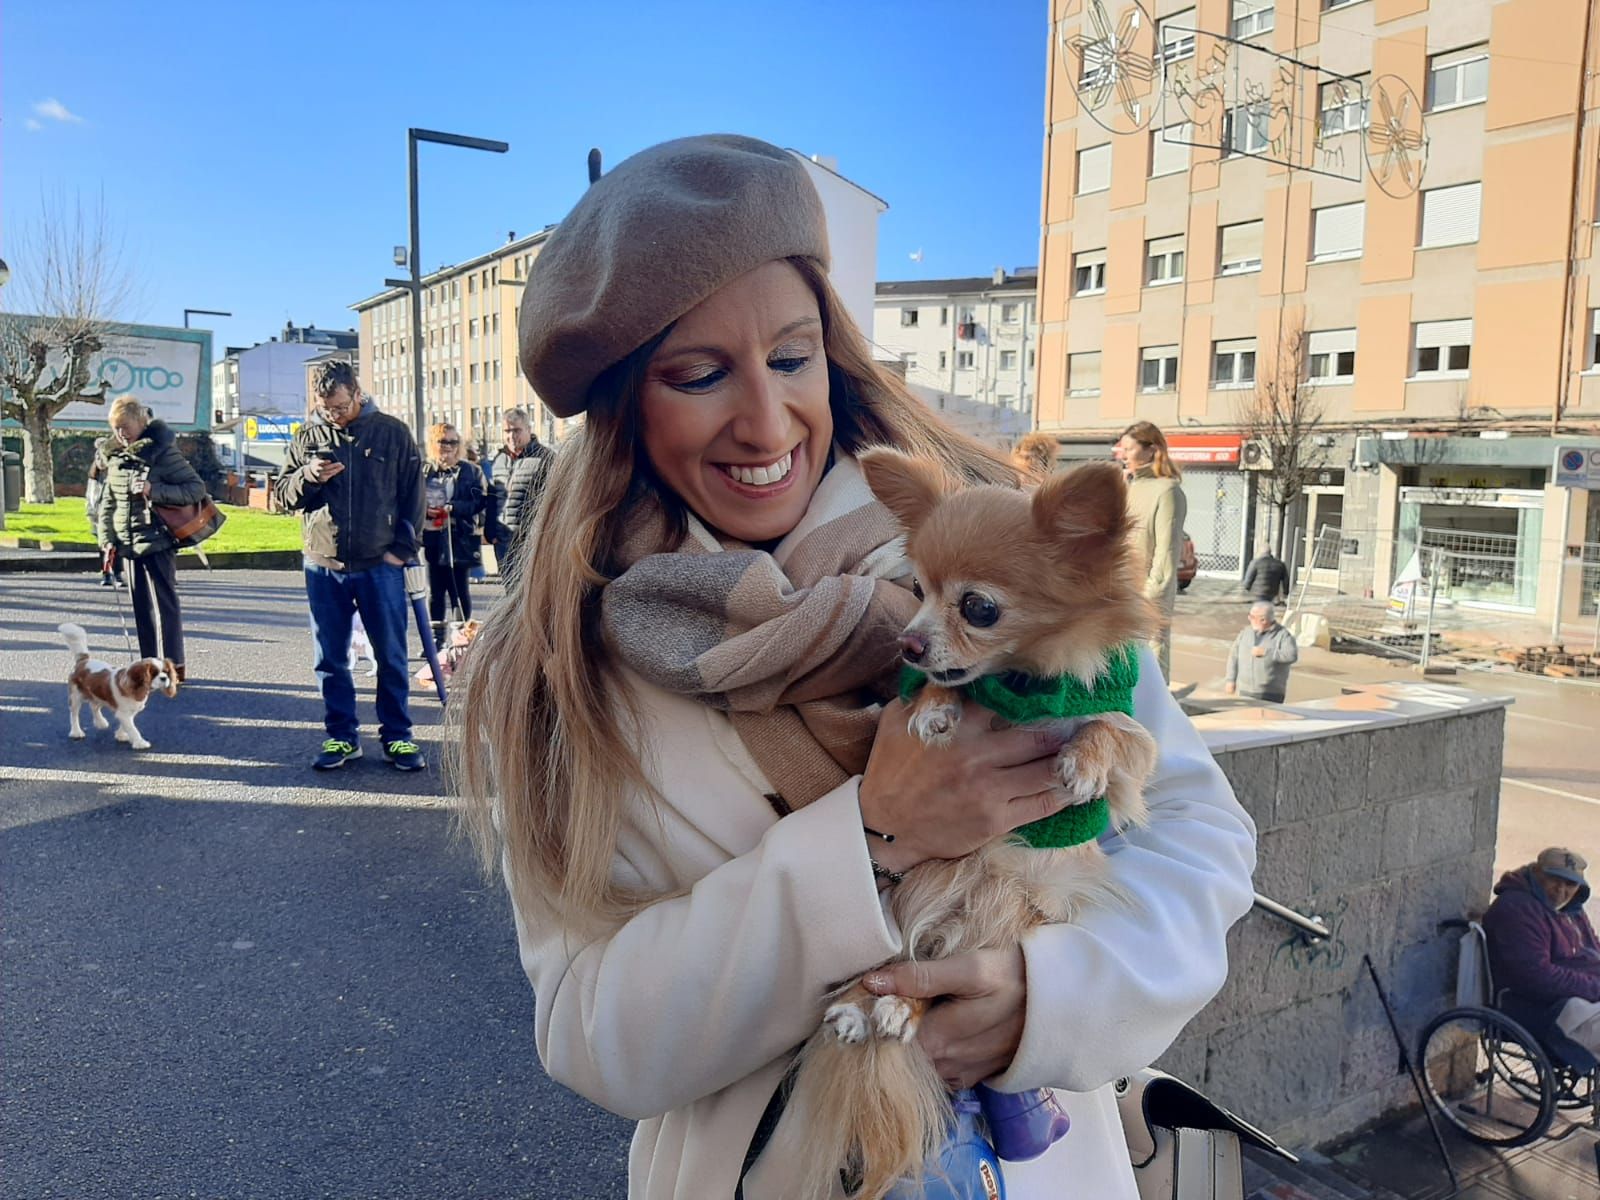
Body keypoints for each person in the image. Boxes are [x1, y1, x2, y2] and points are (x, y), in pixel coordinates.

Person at [453, 134, 1256, 1199]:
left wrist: (1048, 995)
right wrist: (871, 839)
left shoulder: (994, 545)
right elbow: (592, 1033)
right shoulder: (562, 663)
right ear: (622, 407)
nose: (766, 418)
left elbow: (1196, 832)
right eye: (698, 374)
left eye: (791, 357)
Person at [274, 360, 426, 773]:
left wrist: (402, 550)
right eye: (326, 409)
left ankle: (398, 738)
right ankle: (341, 737)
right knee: (330, 659)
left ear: (357, 393)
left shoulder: (392, 433)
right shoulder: (307, 436)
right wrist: (308, 474)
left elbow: (415, 496)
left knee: (391, 656)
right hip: (323, 565)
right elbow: (281, 497)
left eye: (340, 407)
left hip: (380, 564)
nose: (333, 415)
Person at [96, 397, 206, 682]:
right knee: (140, 608)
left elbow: (195, 488)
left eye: (126, 427)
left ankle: (173, 668)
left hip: (157, 540)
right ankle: (148, 666)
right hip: (128, 543)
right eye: (116, 428)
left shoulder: (163, 453)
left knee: (165, 605)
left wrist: (153, 489)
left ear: (141, 424)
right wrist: (107, 540)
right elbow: (107, 504)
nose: (121, 434)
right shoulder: (115, 459)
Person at [1483, 848, 1600, 1054]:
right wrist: (1594, 987)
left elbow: (1590, 948)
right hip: (1534, 1006)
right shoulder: (1517, 910)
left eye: (1570, 884)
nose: (1561, 890)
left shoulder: (1570, 907)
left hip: (1574, 994)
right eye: (1554, 879)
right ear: (1536, 874)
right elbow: (1537, 977)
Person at [1113, 420, 1187, 681]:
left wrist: (1148, 600)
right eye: (1122, 449)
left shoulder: (1168, 491)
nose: (1123, 454)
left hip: (1147, 595)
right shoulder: (1128, 486)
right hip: (1121, 590)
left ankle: (1156, 720)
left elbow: (1166, 554)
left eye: (1129, 448)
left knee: (1150, 662)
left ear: (1152, 449)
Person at [422, 422, 486, 637]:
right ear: (433, 443)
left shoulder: (471, 471)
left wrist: (453, 507)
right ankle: (436, 639)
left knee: (459, 589)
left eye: (452, 442)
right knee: (435, 590)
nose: (448, 446)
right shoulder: (424, 470)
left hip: (460, 535)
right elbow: (410, 499)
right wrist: (425, 509)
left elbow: (479, 503)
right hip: (432, 534)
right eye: (442, 441)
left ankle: (462, 638)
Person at [485, 407, 551, 587]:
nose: (511, 435)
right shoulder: (499, 459)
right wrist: (491, 531)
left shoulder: (545, 458)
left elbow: (553, 503)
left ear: (528, 430)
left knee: (530, 594)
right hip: (503, 541)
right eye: (507, 431)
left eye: (516, 430)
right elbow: (492, 498)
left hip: (531, 542)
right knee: (509, 594)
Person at [1224, 601, 1299, 704]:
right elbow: (1234, 657)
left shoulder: (1283, 635)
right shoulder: (1245, 633)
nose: (1249, 619)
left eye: (1252, 617)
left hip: (1270, 693)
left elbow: (1291, 656)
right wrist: (1230, 680)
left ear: (1263, 620)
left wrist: (1267, 653)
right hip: (1244, 690)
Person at [85, 435, 115, 587]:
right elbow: (91, 495)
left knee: (115, 542)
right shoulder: (95, 475)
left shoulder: (115, 470)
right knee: (103, 543)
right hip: (99, 511)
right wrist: (92, 512)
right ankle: (106, 572)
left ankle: (115, 572)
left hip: (113, 511)